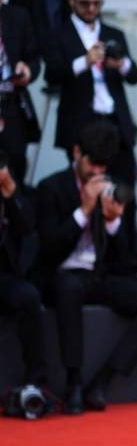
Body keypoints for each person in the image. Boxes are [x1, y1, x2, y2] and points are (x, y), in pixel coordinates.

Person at [34, 121, 137, 415]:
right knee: (69, 286)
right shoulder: (50, 188)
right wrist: (83, 212)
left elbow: (123, 259)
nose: (97, 172)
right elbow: (47, 252)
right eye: (92, 163)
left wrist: (112, 222)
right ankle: (73, 381)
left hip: (98, 276)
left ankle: (103, 381)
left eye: (102, 166)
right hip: (59, 275)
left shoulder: (116, 187)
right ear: (76, 152)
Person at [44, 0, 137, 247]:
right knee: (84, 190)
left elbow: (136, 76)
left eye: (97, 3)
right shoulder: (59, 34)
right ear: (70, 0)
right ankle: (85, 253)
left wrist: (120, 64)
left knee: (124, 188)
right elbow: (52, 75)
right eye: (85, 3)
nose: (91, 9)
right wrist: (83, 62)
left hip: (115, 122)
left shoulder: (114, 33)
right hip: (81, 125)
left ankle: (125, 255)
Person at [0, 155, 48, 386]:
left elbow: (28, 226)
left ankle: (36, 379)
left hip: (3, 275)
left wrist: (11, 193)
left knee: (28, 295)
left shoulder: (8, 169)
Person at [0, 0, 42, 185]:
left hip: (12, 103)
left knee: (15, 164)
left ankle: (13, 217)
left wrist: (27, 70)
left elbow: (34, 58)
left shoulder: (17, 17)